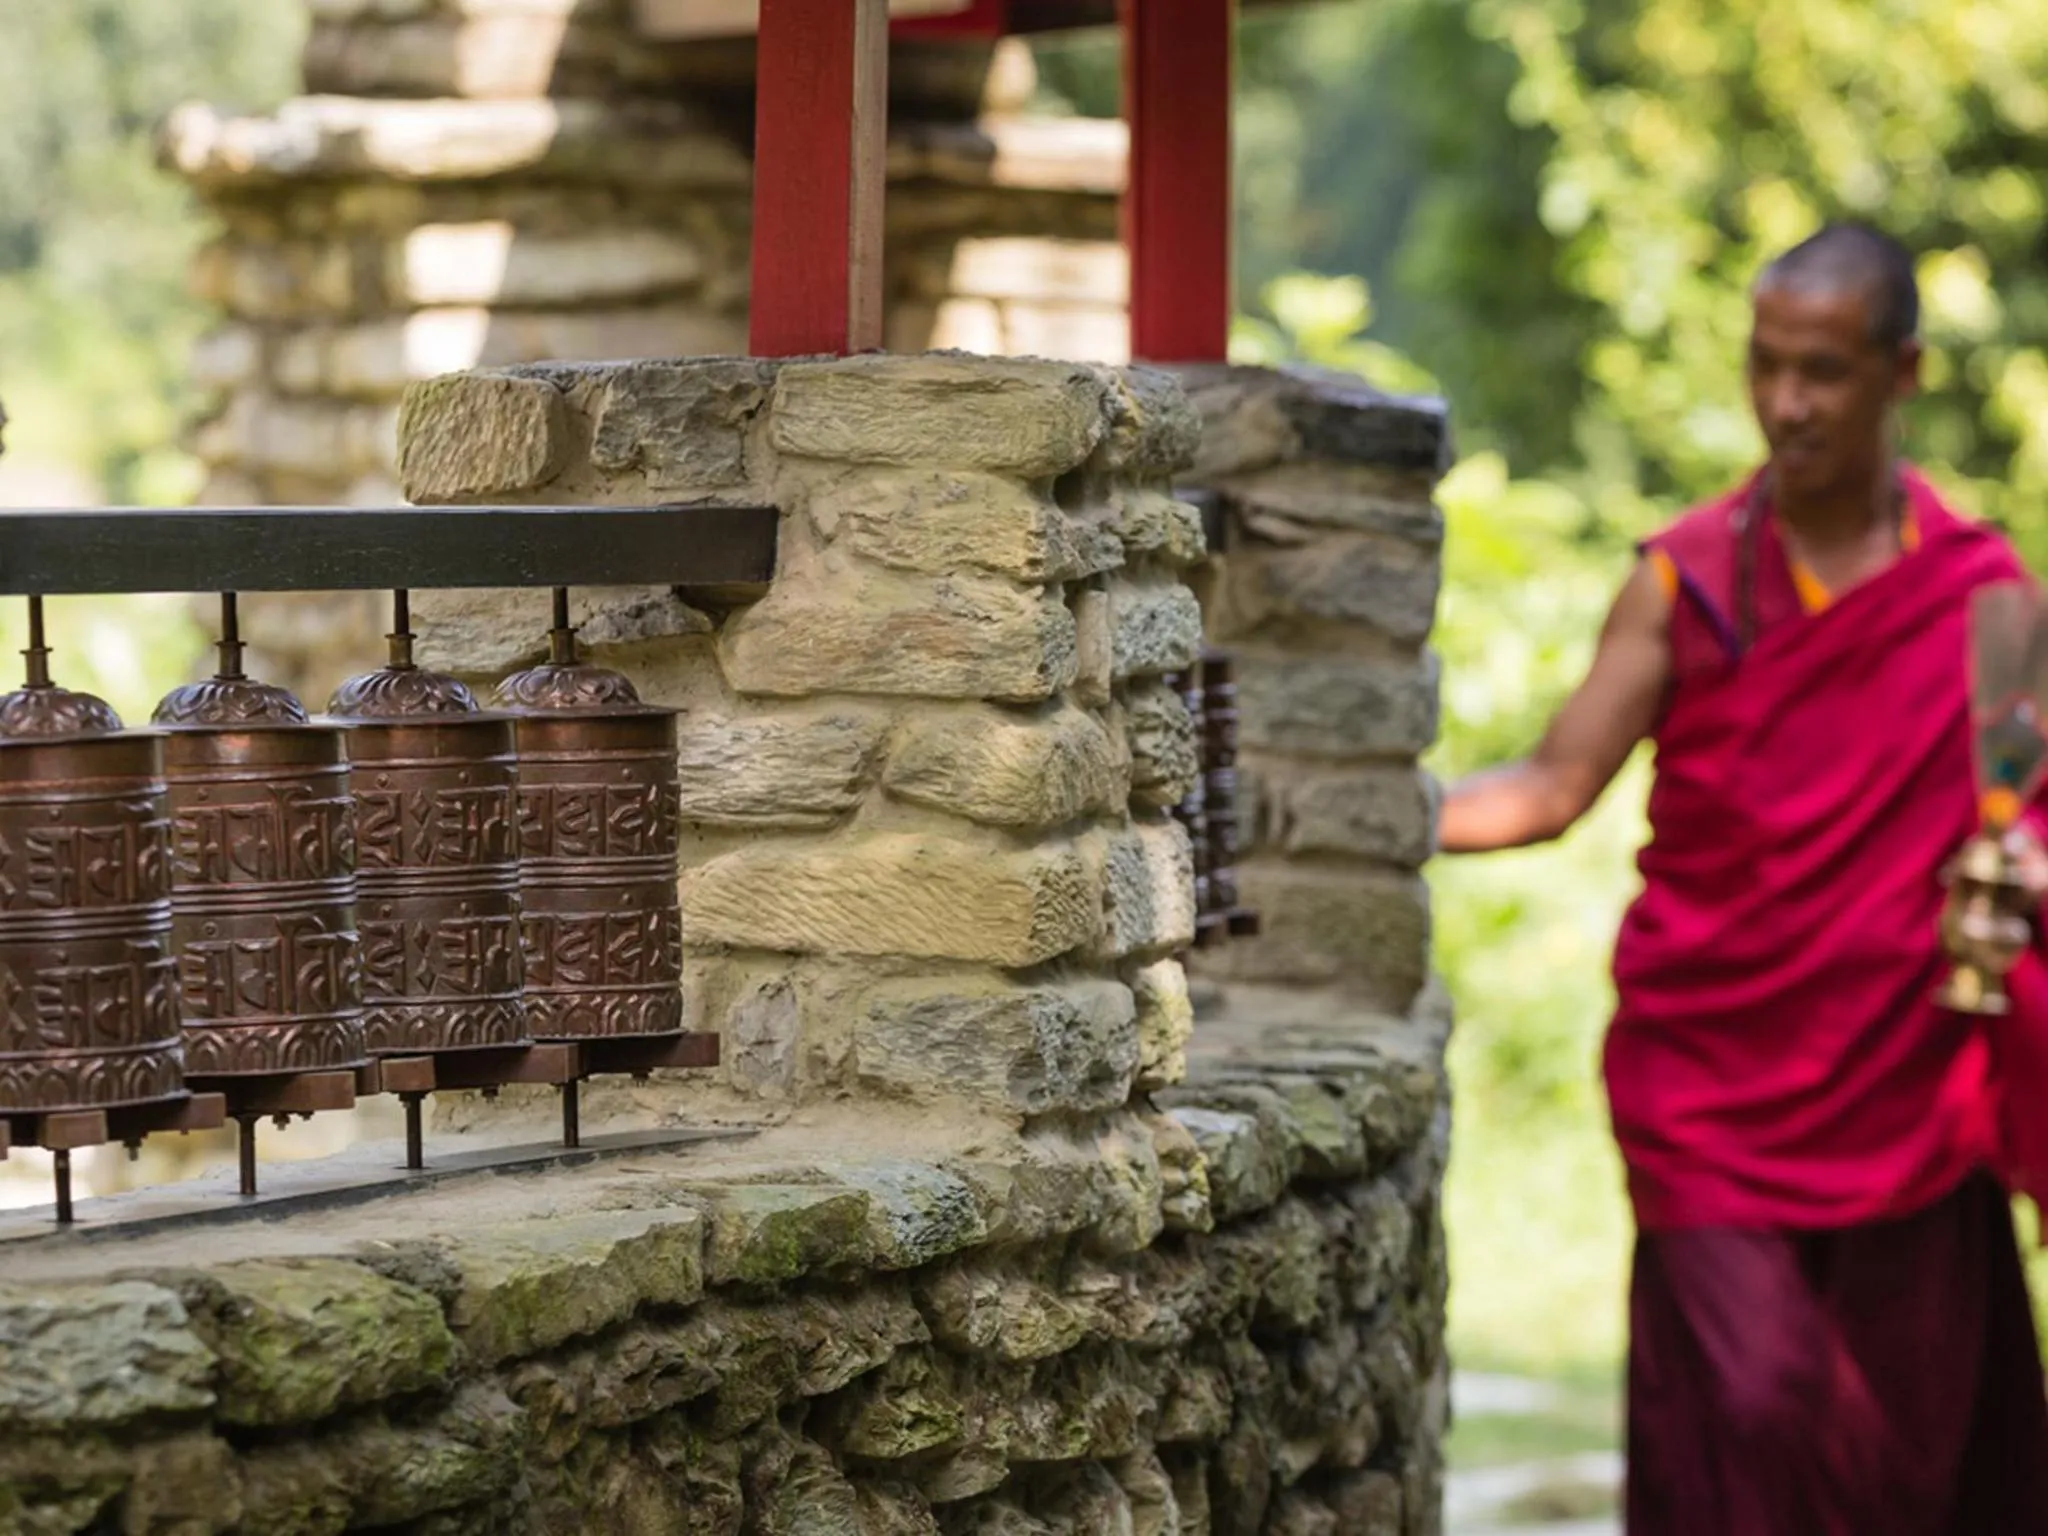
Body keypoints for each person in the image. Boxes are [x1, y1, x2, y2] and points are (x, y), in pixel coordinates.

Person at [1437, 222, 2048, 1534]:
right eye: (1766, 366)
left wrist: (2018, 883)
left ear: (1904, 372)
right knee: (1756, 1415)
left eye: (1823, 372)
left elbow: (2028, 820)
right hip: (1714, 1092)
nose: (1786, 404)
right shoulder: (1685, 581)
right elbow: (1549, 790)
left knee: (1912, 1463)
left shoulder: (1983, 598)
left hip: (1910, 1100)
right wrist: (1353, 811)